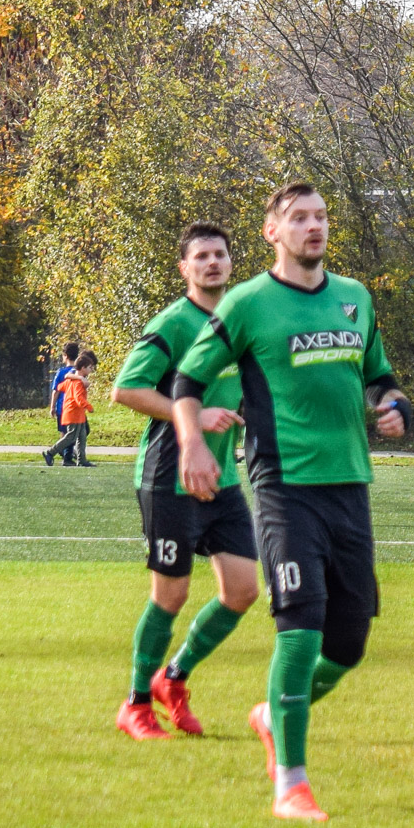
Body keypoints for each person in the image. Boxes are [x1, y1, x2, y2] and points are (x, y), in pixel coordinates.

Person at [173, 181, 412, 823]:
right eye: (300, 217)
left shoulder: (355, 297)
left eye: (321, 216)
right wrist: (192, 443)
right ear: (272, 232)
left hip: (350, 486)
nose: (314, 226)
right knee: (300, 628)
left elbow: (380, 378)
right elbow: (188, 381)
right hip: (284, 487)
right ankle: (292, 784)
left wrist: (394, 406)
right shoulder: (249, 303)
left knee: (349, 645)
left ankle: (271, 715)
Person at [109, 222, 260, 741]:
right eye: (201, 256)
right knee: (170, 596)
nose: (212, 263)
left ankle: (172, 678)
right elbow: (126, 389)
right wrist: (193, 415)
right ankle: (135, 704)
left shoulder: (239, 321)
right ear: (184, 268)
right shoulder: (174, 323)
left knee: (242, 591)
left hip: (223, 479)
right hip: (169, 478)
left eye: (220, 254)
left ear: (231, 263)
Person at [42, 352, 95, 466]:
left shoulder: (71, 380)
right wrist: (89, 407)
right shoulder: (77, 383)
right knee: (71, 437)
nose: (91, 370)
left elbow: (60, 387)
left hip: (78, 414)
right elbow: (78, 398)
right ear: (83, 368)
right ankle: (50, 452)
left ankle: (81, 460)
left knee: (82, 437)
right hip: (73, 413)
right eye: (89, 368)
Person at [51, 343, 80, 465]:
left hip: (62, 407)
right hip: (74, 407)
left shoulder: (61, 372)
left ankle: (63, 451)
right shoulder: (78, 372)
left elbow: (56, 391)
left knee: (64, 432)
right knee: (73, 432)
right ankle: (66, 453)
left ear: (65, 356)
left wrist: (52, 406)